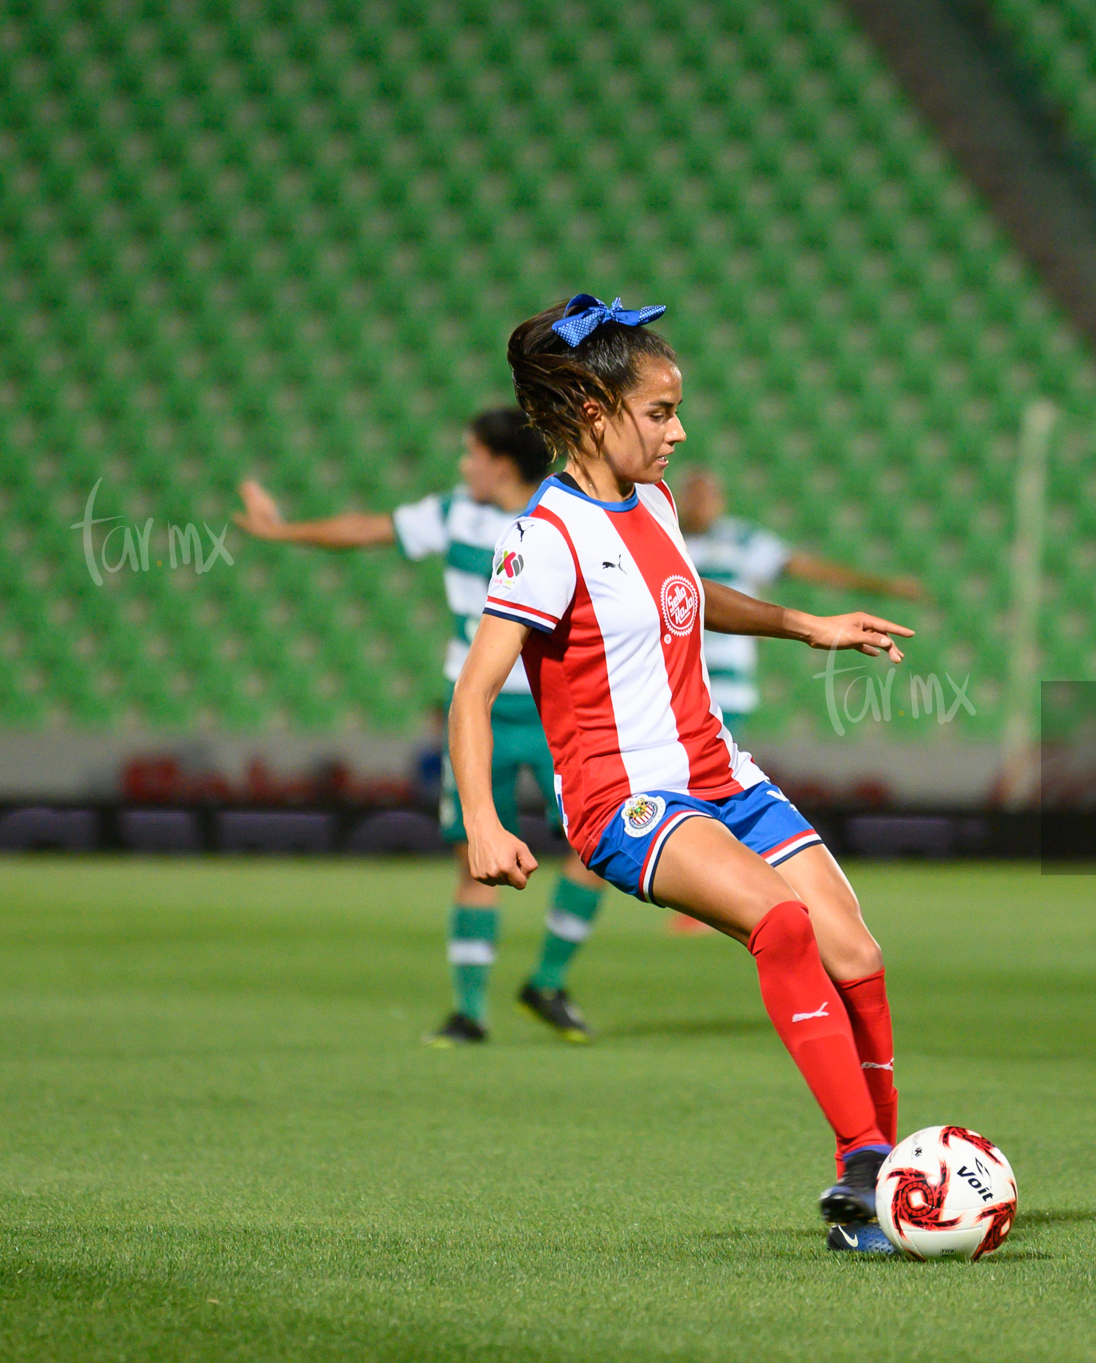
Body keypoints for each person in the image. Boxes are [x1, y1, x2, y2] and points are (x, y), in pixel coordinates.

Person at [452, 293, 910, 1253]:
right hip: (628, 801)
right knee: (780, 924)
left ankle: (875, 1186)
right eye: (660, 412)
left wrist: (805, 624)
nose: (679, 431)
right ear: (593, 412)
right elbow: (475, 689)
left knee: (858, 955)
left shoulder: (652, 502)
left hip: (721, 773)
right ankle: (869, 1163)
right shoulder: (548, 536)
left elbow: (688, 595)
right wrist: (487, 822)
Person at [230, 409, 606, 1045]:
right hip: (477, 709)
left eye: (471, 455)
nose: (464, 466)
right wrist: (284, 532)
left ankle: (546, 981)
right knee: (474, 859)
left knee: (598, 848)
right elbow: (367, 528)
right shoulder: (456, 513)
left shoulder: (568, 513)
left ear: (500, 463)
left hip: (559, 709)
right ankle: (470, 1012)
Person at [678, 469, 925, 726]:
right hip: (674, 680)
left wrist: (882, 585)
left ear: (721, 500)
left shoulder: (740, 539)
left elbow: (804, 567)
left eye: (708, 495)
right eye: (693, 495)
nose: (700, 503)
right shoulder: (669, 538)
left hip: (726, 680)